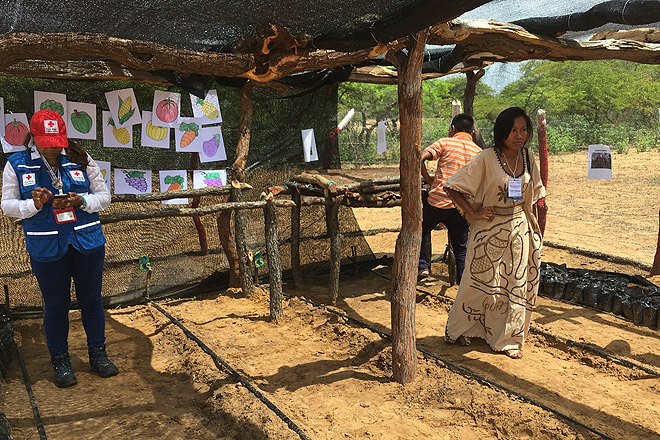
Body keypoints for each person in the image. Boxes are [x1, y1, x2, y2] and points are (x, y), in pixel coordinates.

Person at [1, 109, 117, 387]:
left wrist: (82, 201)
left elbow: (104, 197)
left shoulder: (81, 158)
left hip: (86, 242)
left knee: (91, 300)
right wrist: (34, 205)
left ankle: (98, 353)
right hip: (46, 245)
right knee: (56, 305)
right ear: (34, 138)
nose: (53, 146)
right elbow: (6, 206)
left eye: (57, 140)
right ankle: (60, 359)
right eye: (46, 141)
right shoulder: (16, 164)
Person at [443, 107, 546, 359]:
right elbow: (453, 187)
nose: (518, 136)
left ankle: (507, 339)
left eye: (523, 130)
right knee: (478, 282)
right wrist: (473, 214)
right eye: (513, 130)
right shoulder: (487, 157)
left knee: (515, 284)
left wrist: (534, 230)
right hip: (487, 229)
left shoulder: (529, 157)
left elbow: (535, 195)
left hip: (519, 228)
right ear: (502, 132)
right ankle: (461, 329)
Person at [419, 113, 482, 283]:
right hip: (461, 207)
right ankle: (462, 284)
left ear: (452, 129)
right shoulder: (478, 152)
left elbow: (421, 157)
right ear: (473, 133)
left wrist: (429, 180)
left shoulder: (445, 142)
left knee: (418, 231)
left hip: (438, 202)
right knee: (461, 248)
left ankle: (422, 266)